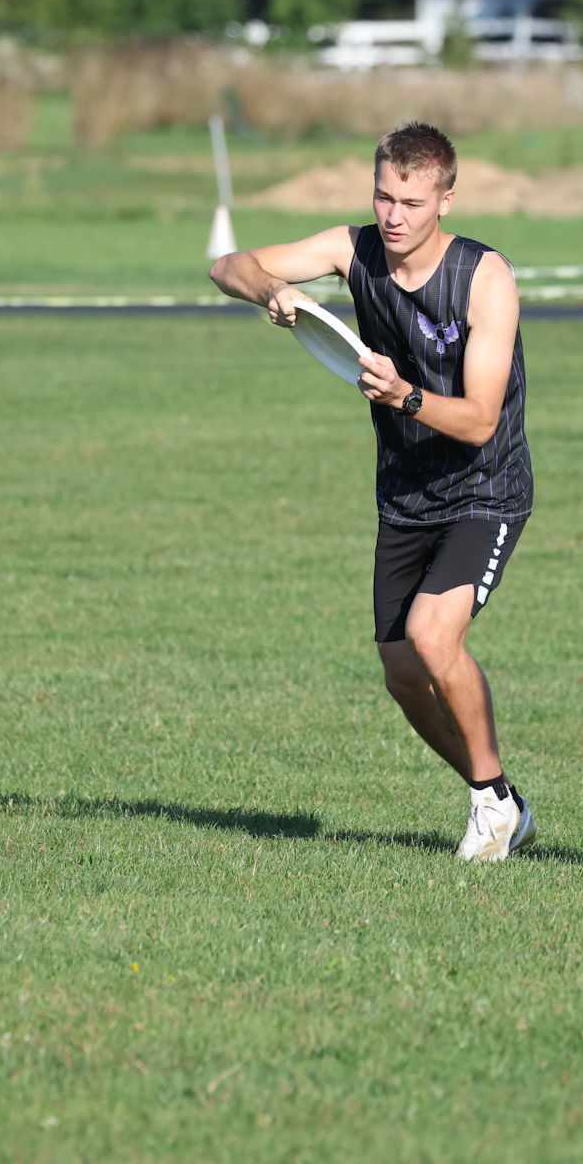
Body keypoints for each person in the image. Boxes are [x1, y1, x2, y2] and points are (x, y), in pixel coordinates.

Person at [210, 122, 537, 861]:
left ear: (445, 201)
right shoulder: (351, 250)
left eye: (412, 203)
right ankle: (501, 799)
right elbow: (228, 265)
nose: (393, 216)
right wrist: (273, 291)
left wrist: (404, 398)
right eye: (384, 197)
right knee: (402, 675)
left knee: (433, 636)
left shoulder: (485, 278)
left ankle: (490, 806)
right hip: (405, 493)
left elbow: (482, 420)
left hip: (484, 487)